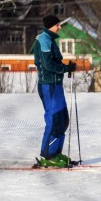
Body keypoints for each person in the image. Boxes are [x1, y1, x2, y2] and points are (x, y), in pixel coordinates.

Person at [30, 14, 77, 168]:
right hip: (48, 86)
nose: (60, 27)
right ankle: (47, 156)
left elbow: (54, 62)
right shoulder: (43, 40)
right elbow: (48, 65)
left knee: (63, 120)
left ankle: (55, 153)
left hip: (55, 85)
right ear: (51, 26)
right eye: (58, 24)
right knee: (54, 120)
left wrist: (66, 67)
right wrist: (65, 68)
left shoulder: (50, 40)